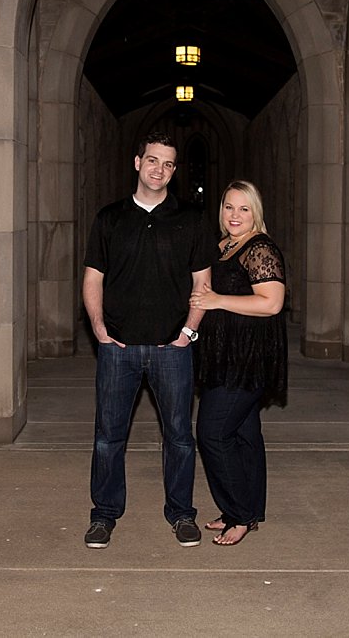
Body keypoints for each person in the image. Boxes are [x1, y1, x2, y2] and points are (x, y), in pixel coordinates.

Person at [81, 131, 216, 549]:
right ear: (137, 162)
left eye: (168, 164)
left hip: (171, 350)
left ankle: (182, 513)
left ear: (174, 171)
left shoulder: (192, 219)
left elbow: (203, 283)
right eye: (153, 160)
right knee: (108, 437)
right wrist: (99, 329)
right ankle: (104, 515)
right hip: (117, 348)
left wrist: (188, 332)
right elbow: (93, 278)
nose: (160, 169)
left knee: (179, 437)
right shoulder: (110, 218)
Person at [189, 180, 287, 546]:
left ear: (255, 213)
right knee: (245, 435)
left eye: (244, 208)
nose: (235, 215)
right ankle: (247, 510)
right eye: (229, 207)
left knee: (212, 433)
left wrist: (217, 300)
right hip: (225, 355)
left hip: (246, 359)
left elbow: (271, 303)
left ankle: (240, 513)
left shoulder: (260, 248)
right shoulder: (224, 245)